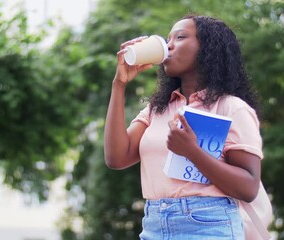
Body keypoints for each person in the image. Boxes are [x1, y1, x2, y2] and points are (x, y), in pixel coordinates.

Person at [104, 14, 263, 240]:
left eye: (180, 37)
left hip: (209, 226)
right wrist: (119, 84)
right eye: (168, 39)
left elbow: (248, 188)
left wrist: (193, 151)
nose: (168, 45)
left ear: (208, 49)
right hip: (154, 225)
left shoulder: (231, 108)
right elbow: (116, 158)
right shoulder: (156, 109)